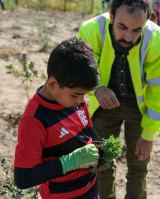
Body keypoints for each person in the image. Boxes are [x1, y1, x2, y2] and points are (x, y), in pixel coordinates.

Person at [78, 0, 160, 198]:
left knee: (138, 170)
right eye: (122, 27)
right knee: (100, 164)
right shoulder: (92, 30)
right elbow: (81, 67)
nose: (128, 37)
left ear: (146, 22)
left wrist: (148, 135)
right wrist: (97, 88)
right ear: (111, 17)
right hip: (102, 107)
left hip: (140, 110)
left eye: (136, 30)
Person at [14, 37, 101, 199]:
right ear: (52, 85)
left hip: (91, 190)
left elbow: (87, 128)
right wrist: (72, 161)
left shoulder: (73, 99)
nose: (81, 101)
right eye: (76, 95)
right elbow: (23, 178)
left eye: (84, 95)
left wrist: (100, 149)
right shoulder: (35, 119)